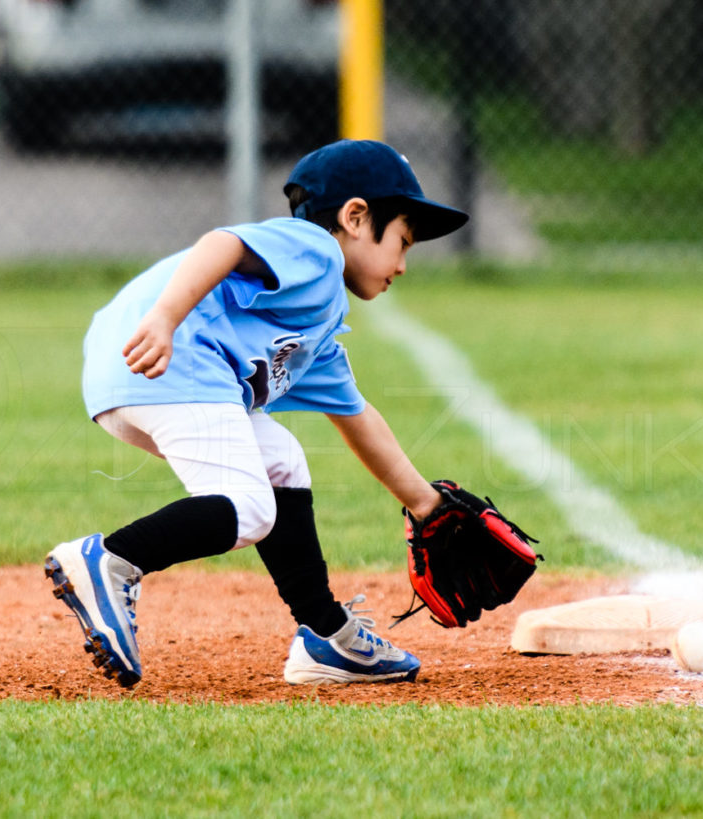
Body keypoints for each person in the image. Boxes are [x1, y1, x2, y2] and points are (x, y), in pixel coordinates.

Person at [45, 139, 469, 688]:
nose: (404, 265)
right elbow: (222, 243)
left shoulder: (314, 327)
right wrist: (166, 319)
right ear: (356, 216)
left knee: (282, 463)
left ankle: (326, 635)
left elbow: (358, 416)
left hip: (136, 370)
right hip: (169, 357)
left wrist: (427, 506)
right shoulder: (317, 250)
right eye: (402, 241)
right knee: (251, 507)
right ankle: (112, 559)